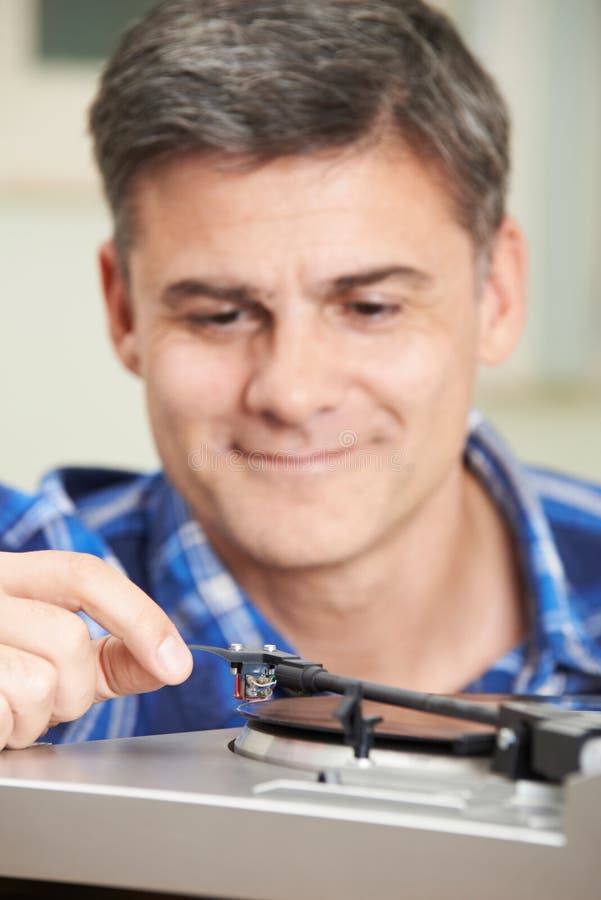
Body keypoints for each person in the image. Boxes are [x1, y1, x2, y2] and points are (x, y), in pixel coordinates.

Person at [1, 0, 600, 752]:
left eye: (370, 306)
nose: (290, 393)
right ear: (124, 309)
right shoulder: (16, 586)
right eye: (220, 315)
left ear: (499, 293)